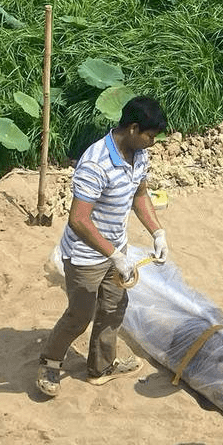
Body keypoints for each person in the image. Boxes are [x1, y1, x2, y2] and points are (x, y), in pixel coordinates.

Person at [36, 95, 169, 395]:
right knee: (79, 315)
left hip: (116, 249)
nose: (152, 142)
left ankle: (101, 366)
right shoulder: (96, 163)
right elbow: (79, 220)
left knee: (113, 308)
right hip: (85, 255)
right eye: (150, 136)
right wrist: (113, 255)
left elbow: (139, 194)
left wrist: (157, 232)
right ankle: (50, 361)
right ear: (133, 129)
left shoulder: (139, 155)